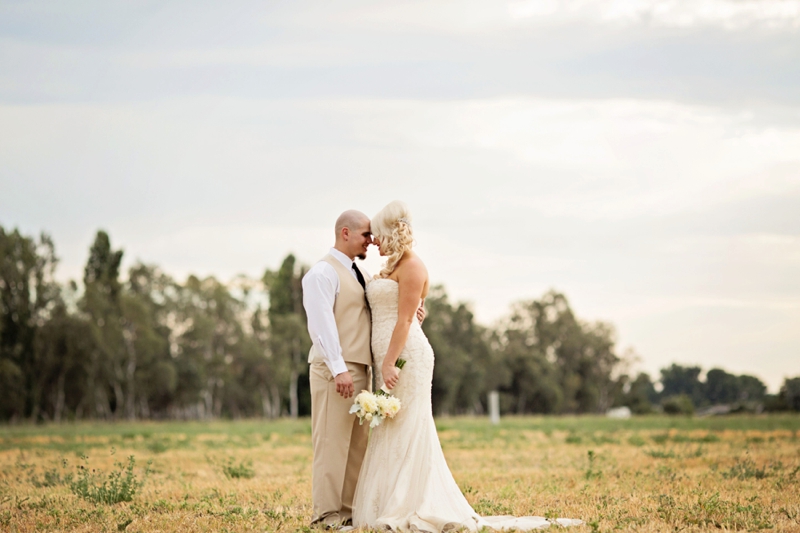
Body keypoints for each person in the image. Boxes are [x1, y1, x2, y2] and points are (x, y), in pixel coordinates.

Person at [352, 201, 582, 532]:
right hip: (386, 354)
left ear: (391, 233)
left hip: (405, 358)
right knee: (390, 427)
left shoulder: (413, 266)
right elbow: (406, 310)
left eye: (377, 235)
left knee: (409, 426)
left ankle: (411, 504)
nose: (373, 241)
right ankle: (388, 502)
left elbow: (404, 319)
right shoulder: (392, 267)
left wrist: (390, 361)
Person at [302, 209, 424, 530]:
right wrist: (338, 367)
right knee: (331, 444)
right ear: (345, 233)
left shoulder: (360, 274)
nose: (371, 241)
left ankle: (348, 514)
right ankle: (326, 517)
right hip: (335, 370)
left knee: (356, 445)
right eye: (365, 235)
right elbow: (321, 325)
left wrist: (413, 308)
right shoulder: (322, 274)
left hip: (361, 368)